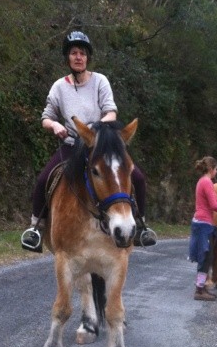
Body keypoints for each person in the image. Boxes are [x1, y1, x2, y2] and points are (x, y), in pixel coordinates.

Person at [21, 31, 155, 252]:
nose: (78, 57)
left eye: (82, 53)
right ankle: (36, 227)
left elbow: (111, 112)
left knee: (137, 177)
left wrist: (95, 130)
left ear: (88, 58)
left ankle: (140, 224)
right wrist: (55, 125)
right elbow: (46, 117)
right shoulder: (58, 87)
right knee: (43, 179)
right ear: (68, 58)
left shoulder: (100, 81)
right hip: (73, 144)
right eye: (74, 53)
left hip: (100, 144)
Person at [190, 156, 217, 300]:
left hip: (202, 222)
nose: (216, 171)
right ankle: (199, 290)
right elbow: (214, 205)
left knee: (207, 256)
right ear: (211, 169)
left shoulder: (203, 181)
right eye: (216, 169)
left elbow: (215, 201)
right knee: (205, 256)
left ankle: (202, 287)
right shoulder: (207, 182)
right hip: (203, 223)